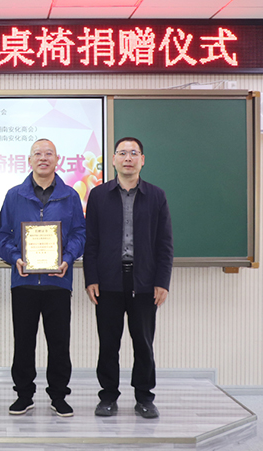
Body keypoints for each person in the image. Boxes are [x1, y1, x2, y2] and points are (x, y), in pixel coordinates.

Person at [84, 136, 173, 419]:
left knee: (143, 344)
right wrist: (91, 278)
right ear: (113, 160)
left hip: (144, 281)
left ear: (142, 160)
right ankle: (108, 397)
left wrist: (162, 282)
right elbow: (91, 241)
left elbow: (165, 243)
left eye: (134, 153)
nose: (128, 158)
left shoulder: (156, 196)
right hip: (108, 281)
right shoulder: (98, 195)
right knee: (108, 344)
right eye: (122, 153)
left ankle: (144, 397)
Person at [0, 139, 85, 417]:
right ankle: (24, 395)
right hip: (24, 282)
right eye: (38, 153)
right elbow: (2, 236)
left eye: (49, 154)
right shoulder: (14, 195)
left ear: (58, 160)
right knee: (23, 342)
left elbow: (80, 234)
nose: (43, 158)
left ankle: (59, 395)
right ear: (29, 160)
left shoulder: (70, 196)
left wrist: (67, 258)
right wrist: (15, 258)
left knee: (59, 342)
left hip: (58, 281)